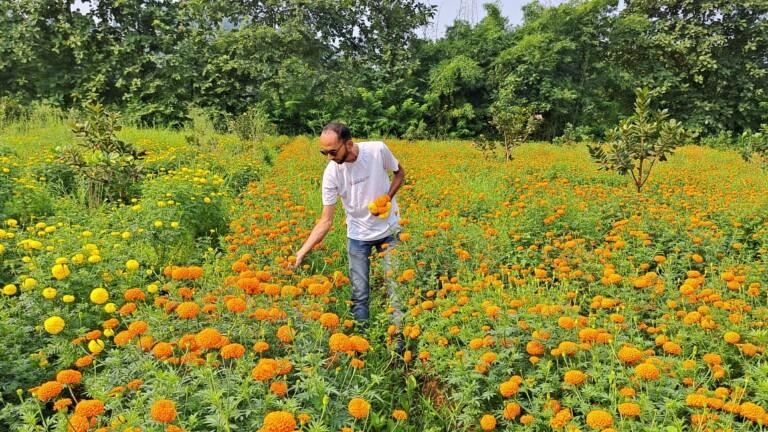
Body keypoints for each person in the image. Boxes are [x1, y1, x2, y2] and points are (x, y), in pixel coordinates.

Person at [293, 122, 405, 346]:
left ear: (349, 144)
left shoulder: (377, 150)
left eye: (333, 152)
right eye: (324, 152)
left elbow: (400, 174)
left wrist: (387, 197)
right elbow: (325, 221)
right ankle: (361, 346)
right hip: (358, 236)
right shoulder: (331, 174)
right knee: (359, 295)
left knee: (396, 289)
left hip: (389, 230)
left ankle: (399, 344)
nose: (329, 157)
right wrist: (301, 252)